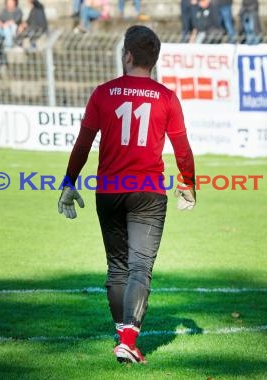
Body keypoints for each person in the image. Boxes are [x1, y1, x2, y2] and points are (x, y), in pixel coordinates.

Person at [57, 25, 196, 364]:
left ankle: (124, 339)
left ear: (128, 55)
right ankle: (129, 340)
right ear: (154, 60)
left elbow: (83, 143)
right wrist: (188, 184)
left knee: (118, 267)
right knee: (140, 267)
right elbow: (182, 149)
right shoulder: (166, 97)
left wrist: (68, 182)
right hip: (148, 191)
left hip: (109, 190)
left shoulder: (103, 93)